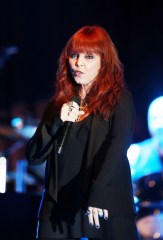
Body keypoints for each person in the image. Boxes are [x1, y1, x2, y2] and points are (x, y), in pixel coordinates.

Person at [25, 25, 141, 240]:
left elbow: (118, 148)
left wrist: (98, 194)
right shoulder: (58, 105)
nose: (78, 63)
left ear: (103, 62)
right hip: (58, 205)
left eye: (88, 56)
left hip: (102, 200)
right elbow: (33, 156)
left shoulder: (119, 100)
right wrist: (57, 122)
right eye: (74, 55)